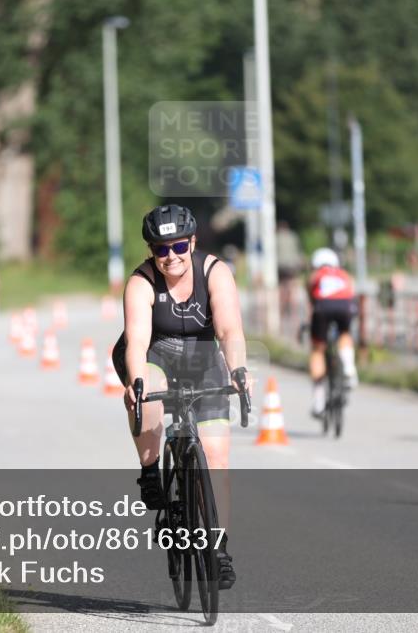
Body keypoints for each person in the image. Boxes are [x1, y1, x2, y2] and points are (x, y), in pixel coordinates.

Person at [112, 204, 250, 590]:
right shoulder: (141, 282)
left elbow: (229, 328)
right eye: (160, 249)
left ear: (192, 242)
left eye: (178, 247)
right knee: (147, 396)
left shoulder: (215, 272)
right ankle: (150, 469)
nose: (170, 257)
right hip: (155, 356)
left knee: (218, 456)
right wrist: (136, 383)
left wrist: (238, 370)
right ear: (151, 251)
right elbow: (137, 339)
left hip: (204, 362)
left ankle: (219, 550)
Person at [306, 248, 357, 418]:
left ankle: (318, 401)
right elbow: (352, 291)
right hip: (345, 306)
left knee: (318, 350)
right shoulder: (344, 274)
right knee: (345, 334)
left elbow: (312, 301)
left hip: (322, 307)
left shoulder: (316, 276)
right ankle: (349, 369)